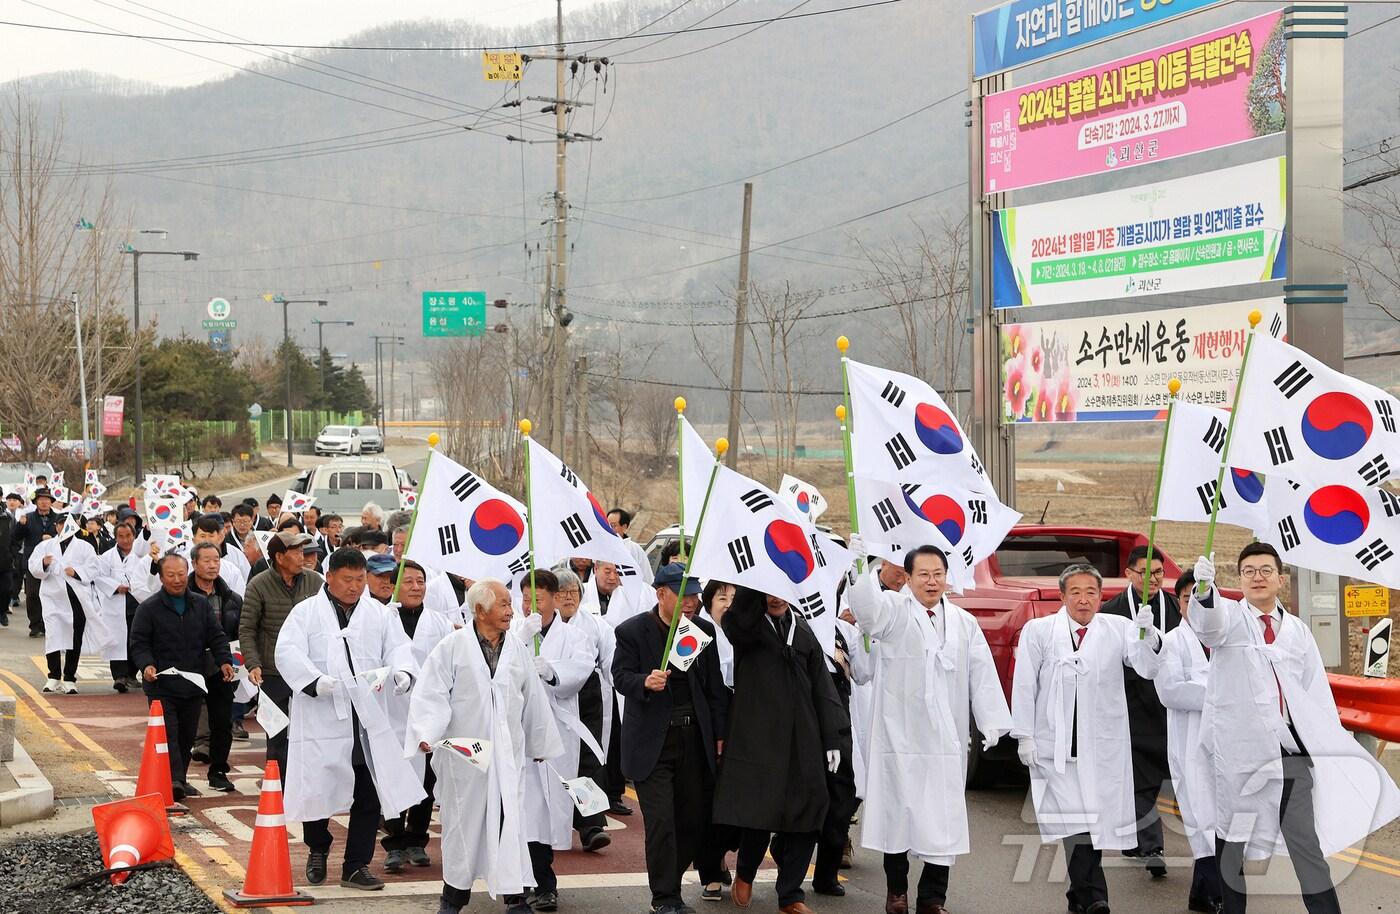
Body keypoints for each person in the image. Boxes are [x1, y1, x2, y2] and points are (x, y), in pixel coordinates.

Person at [1189, 545, 1400, 914]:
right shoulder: (1230, 621)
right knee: (1233, 842)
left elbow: (1314, 691)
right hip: (1243, 757)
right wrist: (1205, 593)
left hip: (1291, 757)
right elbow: (1208, 627)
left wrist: (1326, 744)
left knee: (1306, 846)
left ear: (1280, 580)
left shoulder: (1298, 632)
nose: (1258, 576)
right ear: (1239, 579)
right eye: (1249, 570)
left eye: (1266, 570)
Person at [846, 541, 1012, 914]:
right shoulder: (893, 611)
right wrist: (858, 570)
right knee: (897, 817)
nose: (932, 582)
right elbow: (868, 612)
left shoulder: (963, 623)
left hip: (944, 741)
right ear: (908, 578)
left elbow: (982, 674)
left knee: (943, 820)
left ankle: (933, 898)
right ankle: (896, 891)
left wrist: (991, 721)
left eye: (938, 574)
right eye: (923, 574)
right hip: (899, 737)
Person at [1011, 563, 1162, 914]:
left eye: (1091, 592)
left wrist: (1148, 635)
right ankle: (1095, 896)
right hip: (1056, 745)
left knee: (1092, 821)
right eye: (1075, 592)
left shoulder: (1118, 628)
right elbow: (1024, 685)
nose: (1083, 600)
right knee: (1074, 820)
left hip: (1102, 745)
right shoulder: (1039, 631)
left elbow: (1147, 667)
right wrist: (1025, 736)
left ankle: (1079, 896)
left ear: (1101, 596)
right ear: (1062, 596)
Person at [408, 578, 564, 914]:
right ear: (480, 610)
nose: (512, 610)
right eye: (504, 604)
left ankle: (515, 898)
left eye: (510, 603)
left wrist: (539, 741)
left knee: (511, 822)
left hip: (507, 756)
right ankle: (453, 898)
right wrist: (426, 731)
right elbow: (432, 695)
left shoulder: (517, 649)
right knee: (463, 826)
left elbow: (531, 698)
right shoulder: (452, 648)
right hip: (466, 757)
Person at [275, 547, 424, 891]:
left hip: (368, 718)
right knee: (317, 787)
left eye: (360, 580)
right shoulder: (305, 613)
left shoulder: (378, 614)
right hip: (323, 716)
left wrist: (402, 672)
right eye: (348, 580)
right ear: (329, 578)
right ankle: (318, 846)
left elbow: (399, 647)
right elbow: (286, 651)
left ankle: (355, 865)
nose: (355, 587)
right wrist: (314, 681)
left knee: (369, 793)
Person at [713, 588, 847, 914]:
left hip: (803, 741)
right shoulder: (746, 627)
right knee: (760, 814)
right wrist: (752, 586)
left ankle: (790, 895)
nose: (777, 598)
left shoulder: (803, 632)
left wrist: (832, 738)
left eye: (783, 592)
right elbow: (735, 618)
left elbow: (823, 689)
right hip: (758, 738)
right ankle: (746, 871)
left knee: (809, 812)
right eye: (770, 592)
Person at [612, 564, 728, 914]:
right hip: (652, 743)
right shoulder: (632, 631)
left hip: (694, 739)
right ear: (661, 593)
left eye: (694, 594)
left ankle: (671, 881)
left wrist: (720, 733)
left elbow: (714, 688)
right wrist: (644, 683)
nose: (690, 601)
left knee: (693, 821)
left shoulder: (700, 630)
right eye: (682, 593)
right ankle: (665, 899)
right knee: (661, 822)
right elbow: (620, 676)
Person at [513, 569, 598, 912]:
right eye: (525, 598)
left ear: (552, 598)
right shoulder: (513, 633)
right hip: (517, 733)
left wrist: (550, 671)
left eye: (537, 597)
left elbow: (581, 669)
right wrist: (519, 642)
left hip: (553, 733)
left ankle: (544, 883)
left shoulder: (574, 636)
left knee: (544, 812)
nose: (530, 604)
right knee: (519, 811)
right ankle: (519, 882)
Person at [1099, 545, 1181, 876]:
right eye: (1145, 573)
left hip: (1172, 703)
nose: (1153, 579)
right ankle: (1152, 848)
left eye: (1159, 572)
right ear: (1130, 574)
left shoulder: (1175, 606)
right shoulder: (1113, 610)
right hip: (1133, 704)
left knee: (1181, 774)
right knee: (1141, 779)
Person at [128, 551, 235, 800]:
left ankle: (180, 778)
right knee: (169, 734)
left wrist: (224, 662)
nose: (176, 580)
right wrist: (146, 665)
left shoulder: (200, 604)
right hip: (161, 684)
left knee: (187, 735)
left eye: (180, 574)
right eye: (170, 575)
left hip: (192, 682)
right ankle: (173, 780)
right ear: (162, 577)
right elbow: (139, 643)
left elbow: (216, 636)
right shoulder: (149, 608)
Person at [1155, 570, 1222, 914]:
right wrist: (1217, 695)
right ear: (1178, 603)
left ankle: (1202, 892)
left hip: (1228, 743)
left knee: (1228, 816)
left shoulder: (1226, 639)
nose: (1194, 603)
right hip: (1192, 742)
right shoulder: (1173, 642)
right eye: (1186, 597)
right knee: (1202, 815)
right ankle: (1215, 892)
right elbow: (1169, 691)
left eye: (1202, 596)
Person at [382, 560, 454, 874]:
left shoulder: (440, 622)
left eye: (420, 581)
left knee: (426, 778)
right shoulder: (382, 618)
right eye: (408, 581)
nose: (415, 587)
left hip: (428, 710)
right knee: (392, 777)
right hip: (392, 710)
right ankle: (395, 842)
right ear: (396, 586)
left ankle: (416, 839)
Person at [239, 531, 323, 778]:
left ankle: (308, 782)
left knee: (311, 732)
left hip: (308, 671)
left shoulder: (315, 582)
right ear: (279, 557)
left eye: (303, 552)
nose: (302, 557)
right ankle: (278, 786)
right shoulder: (259, 584)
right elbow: (247, 628)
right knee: (276, 735)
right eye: (296, 552)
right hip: (272, 673)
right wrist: (253, 664)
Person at [554, 567, 614, 853]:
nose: (568, 597)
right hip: (552, 696)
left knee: (588, 759)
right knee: (553, 758)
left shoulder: (594, 625)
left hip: (588, 696)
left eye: (573, 591)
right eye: (562, 592)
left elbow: (612, 662)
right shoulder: (536, 624)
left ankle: (591, 826)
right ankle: (552, 822)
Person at [186, 542, 242, 793]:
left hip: (222, 666)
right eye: (206, 560)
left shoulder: (231, 598)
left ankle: (218, 770)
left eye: (216, 560)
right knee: (186, 723)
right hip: (190, 665)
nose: (212, 565)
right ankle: (179, 775)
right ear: (194, 563)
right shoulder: (181, 596)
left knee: (222, 722)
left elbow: (239, 632)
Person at [695, 580, 739, 899]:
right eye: (721, 597)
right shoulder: (698, 633)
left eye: (735, 598)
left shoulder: (748, 631)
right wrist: (718, 733)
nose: (728, 604)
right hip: (710, 726)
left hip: (746, 723)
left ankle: (724, 853)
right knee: (710, 799)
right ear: (708, 601)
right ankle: (710, 870)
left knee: (740, 800)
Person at [29, 515, 100, 693]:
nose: (64, 527)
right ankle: (53, 676)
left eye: (68, 524)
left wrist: (76, 572)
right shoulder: (46, 546)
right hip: (53, 598)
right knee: (53, 636)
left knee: (75, 638)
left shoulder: (85, 547)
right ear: (57, 526)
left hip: (77, 599)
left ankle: (69, 677)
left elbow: (93, 568)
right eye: (61, 524)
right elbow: (33, 566)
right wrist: (43, 564)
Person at [93, 516, 158, 692]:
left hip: (137, 602)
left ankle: (131, 674)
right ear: (116, 537)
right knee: (117, 639)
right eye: (121, 536)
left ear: (134, 536)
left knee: (135, 638)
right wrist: (115, 587)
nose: (125, 539)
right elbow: (98, 577)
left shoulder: (142, 557)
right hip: (117, 602)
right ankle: (119, 676)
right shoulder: (107, 557)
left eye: (128, 535)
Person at [17, 487, 64, 638]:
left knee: (50, 595)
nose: (44, 502)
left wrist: (51, 537)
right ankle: (35, 625)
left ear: (51, 502)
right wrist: (21, 525)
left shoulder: (59, 518)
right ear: (36, 502)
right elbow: (16, 537)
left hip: (54, 563)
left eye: (47, 500)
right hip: (34, 562)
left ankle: (47, 624)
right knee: (32, 595)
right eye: (41, 500)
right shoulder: (28, 517)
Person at [605, 508, 654, 584]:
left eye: (613, 526)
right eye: (607, 525)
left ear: (624, 527)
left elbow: (647, 577)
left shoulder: (635, 549)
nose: (609, 529)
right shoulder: (602, 547)